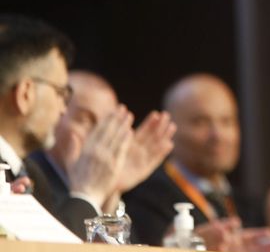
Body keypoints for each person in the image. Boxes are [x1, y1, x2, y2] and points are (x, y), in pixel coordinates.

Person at [125, 73, 270, 252]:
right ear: (169, 129)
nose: (217, 134)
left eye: (226, 121)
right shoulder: (145, 197)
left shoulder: (247, 204)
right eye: (201, 122)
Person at [0, 14, 117, 238]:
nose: (63, 109)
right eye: (61, 93)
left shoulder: (33, 175)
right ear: (25, 94)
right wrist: (87, 193)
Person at [28, 70, 176, 223]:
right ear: (55, 115)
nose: (99, 135)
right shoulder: (29, 178)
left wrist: (110, 192)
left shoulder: (124, 195)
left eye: (107, 123)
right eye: (85, 120)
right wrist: (88, 192)